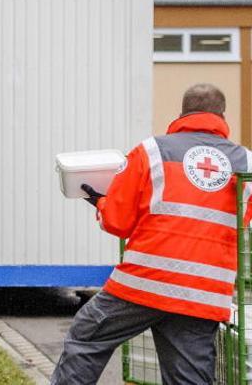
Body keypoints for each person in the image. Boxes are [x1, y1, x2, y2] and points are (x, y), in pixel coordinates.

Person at [51, 83, 252, 385]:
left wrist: (101, 202)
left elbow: (118, 222)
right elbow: (240, 220)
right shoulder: (245, 162)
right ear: (222, 117)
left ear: (182, 113)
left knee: (86, 340)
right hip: (202, 294)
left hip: (144, 284)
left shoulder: (152, 150)